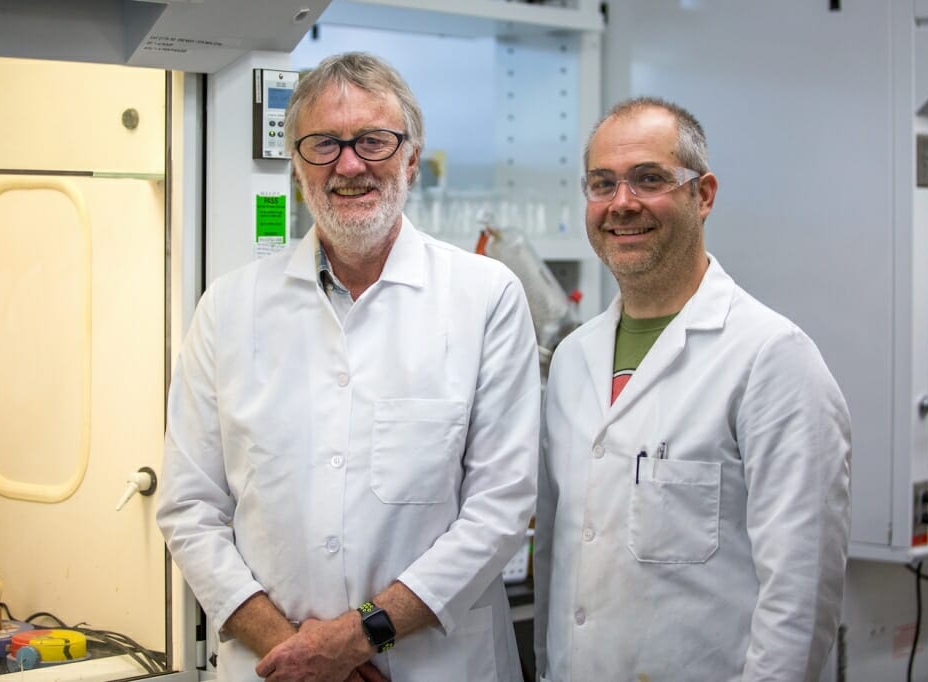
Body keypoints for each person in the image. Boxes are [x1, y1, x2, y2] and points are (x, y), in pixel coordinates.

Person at [157, 52, 540, 682]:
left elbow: (500, 510)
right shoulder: (229, 307)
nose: (350, 164)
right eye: (324, 144)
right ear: (297, 165)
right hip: (275, 667)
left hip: (438, 666)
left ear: (411, 159)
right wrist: (298, 652)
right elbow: (189, 506)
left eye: (373, 141)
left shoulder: (486, 296)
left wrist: (360, 638)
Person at [533, 96, 852, 680]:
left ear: (702, 195)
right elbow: (555, 558)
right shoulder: (575, 358)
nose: (621, 204)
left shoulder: (772, 358)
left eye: (648, 179)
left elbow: (800, 601)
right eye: (602, 184)